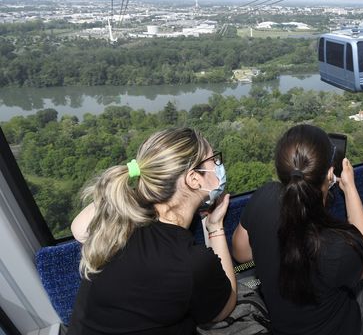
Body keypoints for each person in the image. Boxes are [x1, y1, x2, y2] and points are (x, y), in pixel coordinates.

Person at [232, 124, 363, 335]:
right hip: (336, 326)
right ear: (329, 172)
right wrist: (350, 187)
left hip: (282, 324)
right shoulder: (335, 246)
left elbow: (241, 254)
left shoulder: (262, 197)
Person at [68, 127, 237, 334]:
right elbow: (223, 308)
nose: (219, 166)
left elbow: (78, 229)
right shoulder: (191, 262)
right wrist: (215, 227)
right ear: (194, 179)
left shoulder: (116, 223)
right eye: (214, 160)